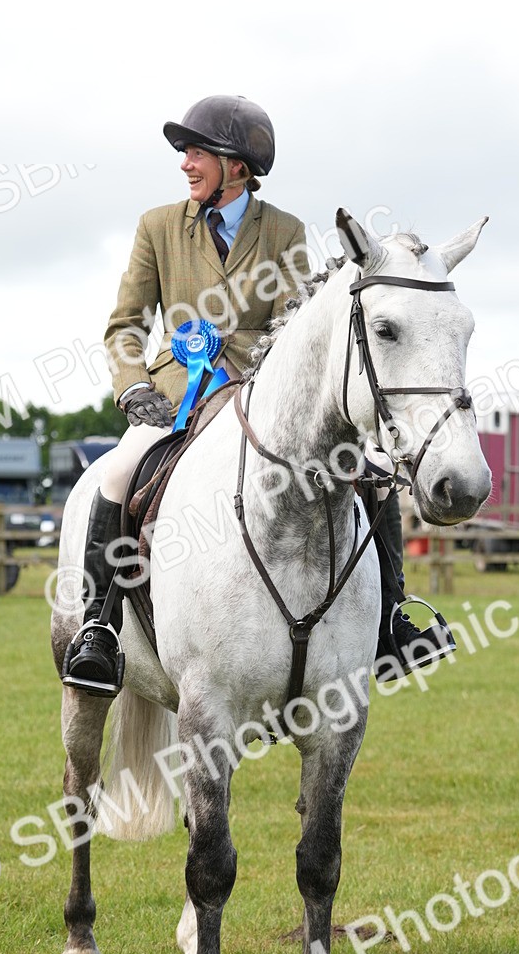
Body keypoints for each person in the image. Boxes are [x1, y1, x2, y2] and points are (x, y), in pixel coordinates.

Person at [62, 94, 454, 695]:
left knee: (372, 472)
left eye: (197, 152)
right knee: (116, 476)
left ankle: (392, 625)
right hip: (175, 398)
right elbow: (125, 324)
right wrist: (133, 385)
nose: (186, 164)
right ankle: (100, 628)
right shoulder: (158, 227)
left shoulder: (286, 232)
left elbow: (303, 333)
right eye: (185, 153)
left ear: (236, 166)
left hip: (260, 399)